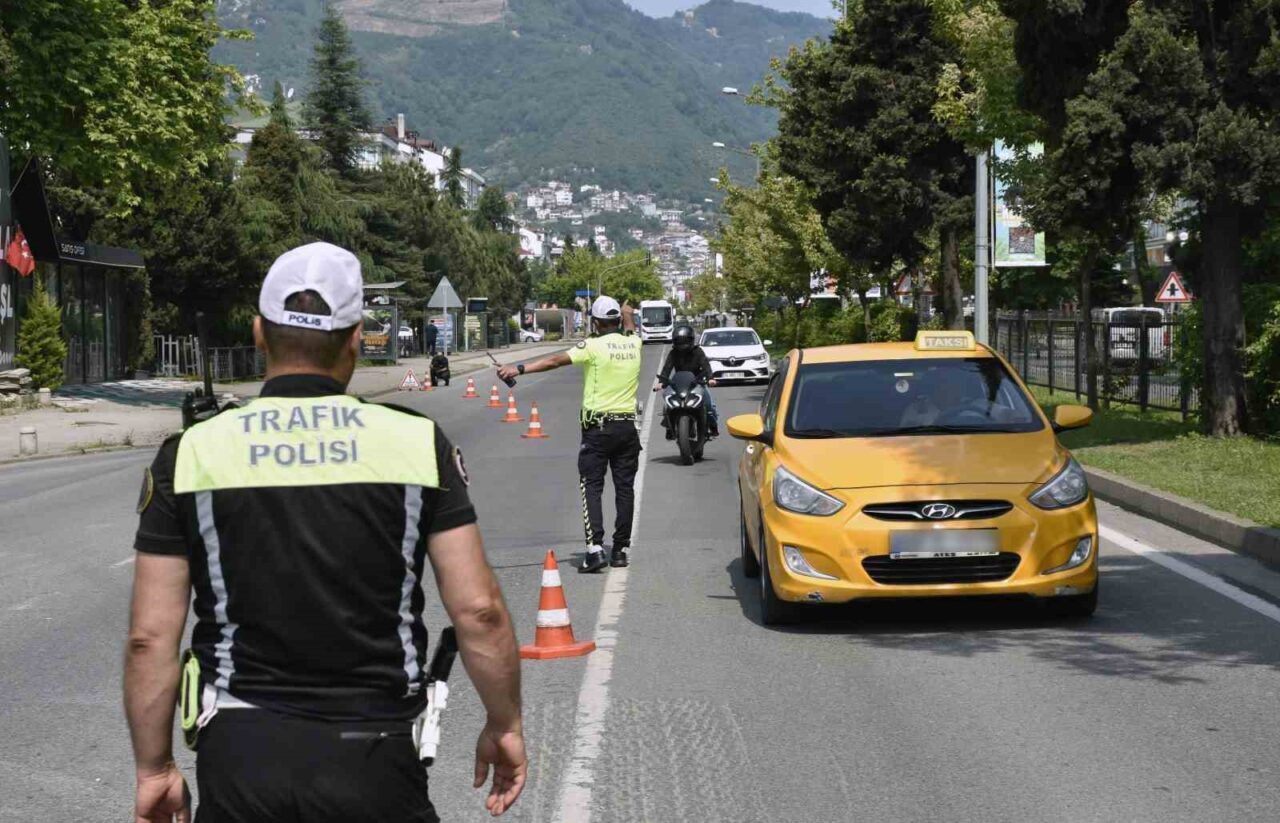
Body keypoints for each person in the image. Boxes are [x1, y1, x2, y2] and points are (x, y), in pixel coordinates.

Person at [124, 242, 526, 823]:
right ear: (357, 338)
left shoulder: (190, 453)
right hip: (375, 756)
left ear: (260, 333)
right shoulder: (416, 443)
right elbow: (479, 611)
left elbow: (149, 638)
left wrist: (155, 769)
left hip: (240, 757)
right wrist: (504, 723)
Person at [497, 296, 642, 573]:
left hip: (598, 430)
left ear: (596, 323)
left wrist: (519, 368)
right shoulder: (634, 344)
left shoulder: (592, 346)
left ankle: (595, 549)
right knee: (625, 489)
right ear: (617, 321)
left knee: (592, 486)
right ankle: (620, 550)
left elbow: (554, 360)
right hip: (627, 429)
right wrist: (628, 313)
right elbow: (630, 325)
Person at [656, 324, 719, 438]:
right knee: (667, 400)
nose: (682, 345)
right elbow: (667, 368)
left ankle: (713, 426)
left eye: (684, 341)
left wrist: (710, 378)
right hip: (678, 383)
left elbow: (706, 365)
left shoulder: (698, 351)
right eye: (679, 342)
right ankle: (669, 427)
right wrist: (662, 382)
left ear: (691, 340)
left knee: (710, 405)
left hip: (697, 383)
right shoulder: (673, 353)